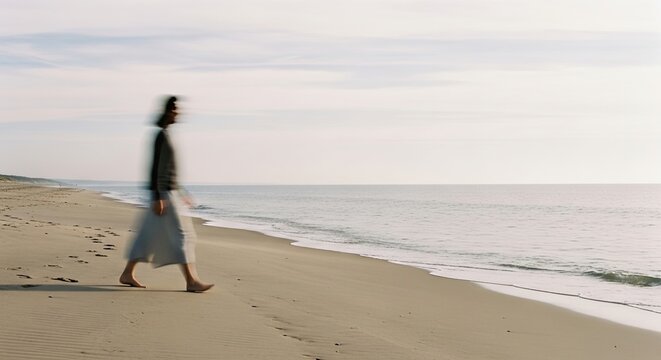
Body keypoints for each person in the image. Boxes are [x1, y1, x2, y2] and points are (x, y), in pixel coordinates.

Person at [119, 96, 214, 292]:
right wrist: (158, 196)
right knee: (183, 236)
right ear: (169, 111)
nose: (179, 112)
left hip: (168, 193)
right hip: (164, 195)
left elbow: (169, 169)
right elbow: (155, 168)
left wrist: (182, 191)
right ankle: (191, 281)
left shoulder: (166, 134)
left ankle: (127, 273)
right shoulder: (161, 135)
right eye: (176, 109)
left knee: (147, 236)